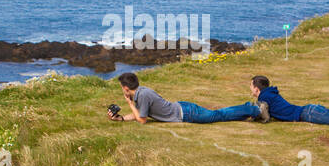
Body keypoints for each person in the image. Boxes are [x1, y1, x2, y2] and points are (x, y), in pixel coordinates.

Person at [110, 71, 259, 123]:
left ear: (126, 88)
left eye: (121, 88)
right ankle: (247, 110)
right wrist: (122, 118)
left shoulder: (143, 95)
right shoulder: (141, 92)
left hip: (186, 113)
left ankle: (253, 110)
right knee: (218, 115)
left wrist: (129, 104)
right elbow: (141, 114)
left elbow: (142, 120)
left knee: (218, 115)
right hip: (183, 109)